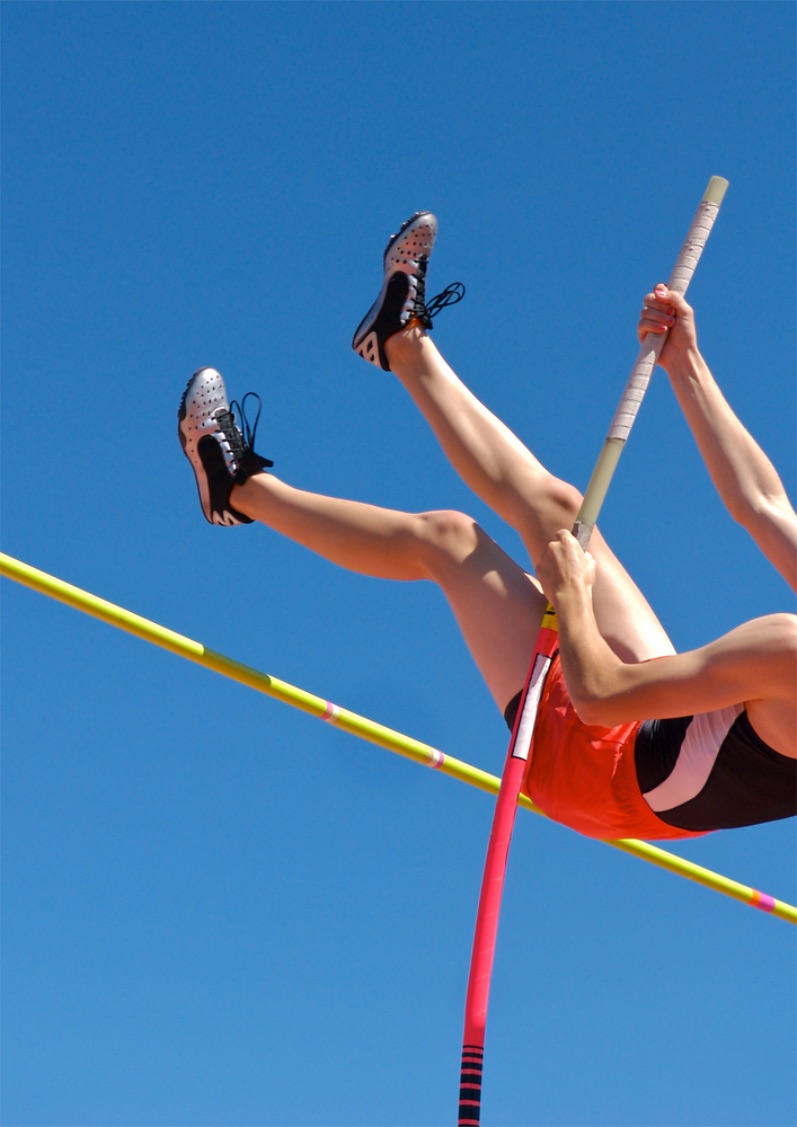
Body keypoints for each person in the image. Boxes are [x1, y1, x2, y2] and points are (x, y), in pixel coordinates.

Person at [178, 212, 796, 841]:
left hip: (602, 773)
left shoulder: (790, 652)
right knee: (561, 508)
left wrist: (574, 600)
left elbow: (601, 698)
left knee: (449, 541)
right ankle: (398, 340)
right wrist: (686, 364)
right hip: (665, 726)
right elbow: (764, 503)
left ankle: (238, 491)